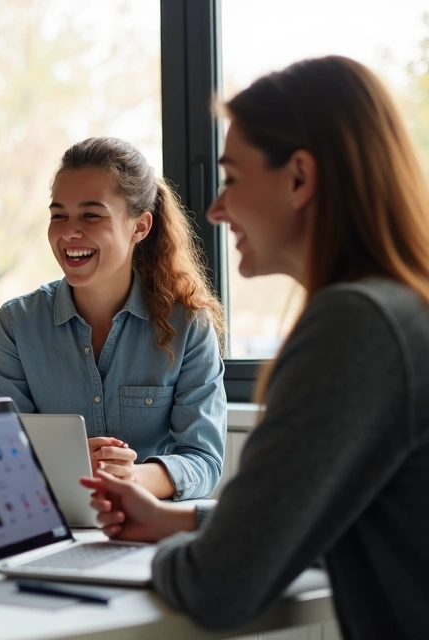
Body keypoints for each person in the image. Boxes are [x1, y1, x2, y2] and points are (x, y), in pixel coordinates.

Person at [80, 56, 429, 638]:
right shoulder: (399, 309)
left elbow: (219, 585)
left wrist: (160, 557)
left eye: (233, 178)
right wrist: (180, 520)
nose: (217, 209)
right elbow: (320, 511)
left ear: (299, 177)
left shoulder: (355, 326)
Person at [0, 137, 226, 500]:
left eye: (91, 215)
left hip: (147, 530)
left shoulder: (189, 325)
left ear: (140, 227)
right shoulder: (17, 324)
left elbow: (203, 459)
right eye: (58, 215)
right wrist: (72, 464)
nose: (68, 233)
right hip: (51, 524)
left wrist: (131, 477)